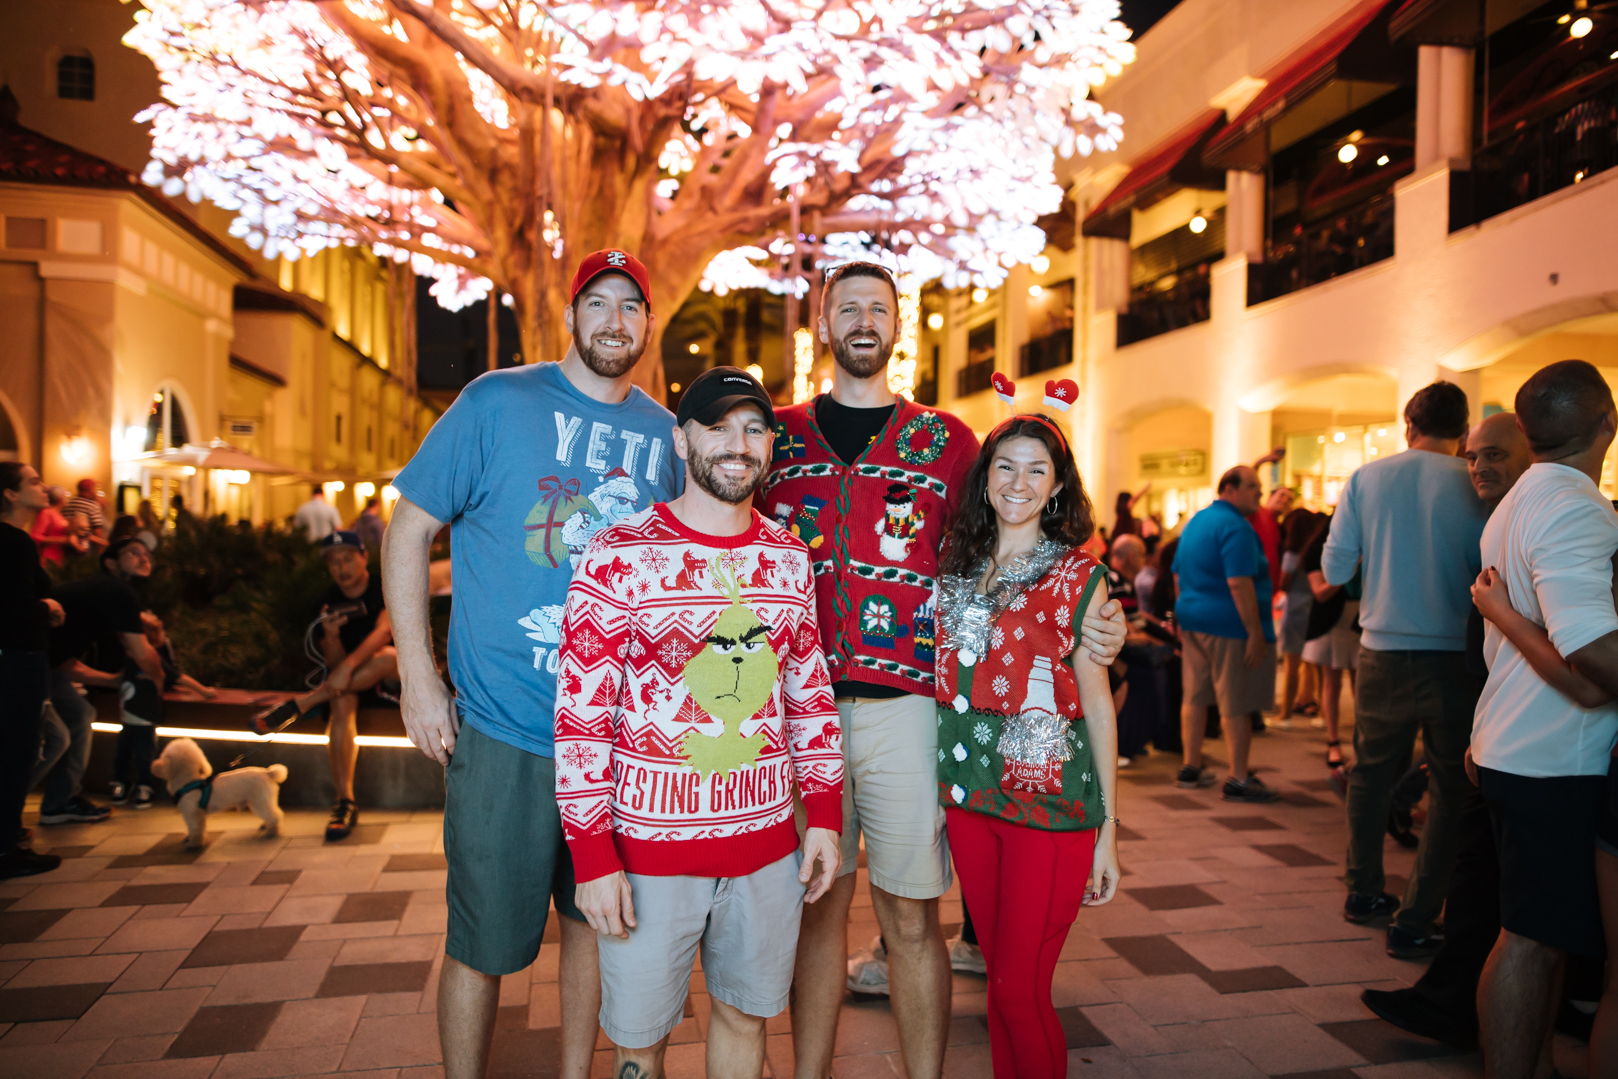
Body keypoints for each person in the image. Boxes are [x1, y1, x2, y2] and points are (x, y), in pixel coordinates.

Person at [764, 260, 1128, 1079]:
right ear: (823, 324)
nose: (863, 320)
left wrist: (1098, 611)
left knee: (909, 913)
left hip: (909, 710)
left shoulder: (948, 441)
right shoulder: (777, 436)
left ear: (899, 327)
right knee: (815, 911)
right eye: (846, 307)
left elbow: (1019, 528)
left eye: (878, 308)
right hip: (799, 713)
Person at [384, 249, 680, 1079]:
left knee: (599, 925)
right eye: (599, 303)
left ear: (648, 324)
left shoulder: (667, 436)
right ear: (571, 314)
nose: (615, 321)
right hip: (507, 729)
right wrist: (418, 677)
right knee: (480, 941)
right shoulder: (495, 402)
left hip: (618, 741)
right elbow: (408, 530)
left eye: (631, 306)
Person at [556, 367, 842, 1079]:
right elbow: (581, 718)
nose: (737, 444)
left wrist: (826, 817)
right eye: (717, 426)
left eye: (753, 428)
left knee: (745, 1018)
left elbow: (808, 695)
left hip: (767, 850)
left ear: (770, 446)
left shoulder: (788, 557)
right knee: (638, 1043)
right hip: (648, 855)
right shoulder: (618, 554)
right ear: (682, 441)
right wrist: (592, 858)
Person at [935, 415, 1121, 1079]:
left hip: (1049, 809)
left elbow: (1098, 705)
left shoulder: (1080, 577)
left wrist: (1109, 831)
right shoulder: (955, 566)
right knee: (1000, 986)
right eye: (1006, 466)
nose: (1019, 482)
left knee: (1019, 990)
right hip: (970, 803)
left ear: (1057, 485)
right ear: (985, 480)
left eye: (1037, 469)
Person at [1359, 410, 1533, 1049]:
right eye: (1472, 455)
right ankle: (1433, 959)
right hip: (1482, 697)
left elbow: (1578, 651)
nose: (1478, 467)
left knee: (1450, 822)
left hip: (1519, 720)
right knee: (1463, 826)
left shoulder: (1538, 517)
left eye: (1494, 454)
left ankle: (1449, 982)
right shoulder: (1496, 514)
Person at [1464, 362, 1618, 1079]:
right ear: (1608, 422)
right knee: (1528, 938)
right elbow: (1591, 654)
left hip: (1519, 741)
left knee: (1540, 936)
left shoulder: (1520, 499)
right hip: (1553, 754)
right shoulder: (1574, 507)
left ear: (1527, 435)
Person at [1322, 380, 1487, 957]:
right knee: (1450, 786)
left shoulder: (1367, 477)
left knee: (1370, 773)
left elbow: (1335, 568)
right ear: (1463, 431)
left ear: (1407, 425)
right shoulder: (1474, 481)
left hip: (1382, 649)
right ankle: (1415, 919)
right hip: (1455, 654)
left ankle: (1363, 891)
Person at [252, 531, 393, 840]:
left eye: (348, 559)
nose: (342, 568)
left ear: (364, 557)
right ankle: (345, 802)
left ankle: (304, 703)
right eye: (334, 562)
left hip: (393, 682)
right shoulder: (325, 602)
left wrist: (348, 667)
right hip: (348, 685)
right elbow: (335, 666)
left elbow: (385, 632)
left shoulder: (385, 587)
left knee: (387, 655)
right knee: (341, 701)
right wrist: (330, 636)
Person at [37, 537, 167, 825]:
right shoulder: (118, 591)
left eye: (146, 553)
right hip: (24, 662)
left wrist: (113, 681)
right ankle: (7, 810)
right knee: (55, 739)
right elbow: (142, 653)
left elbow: (63, 661)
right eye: (133, 553)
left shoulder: (104, 595)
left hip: (44, 665)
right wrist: (158, 682)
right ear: (110, 563)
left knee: (81, 715)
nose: (144, 557)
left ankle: (58, 802)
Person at [1170, 465, 1279, 802]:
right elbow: (1238, 582)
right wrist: (1255, 632)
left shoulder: (1197, 520)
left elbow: (1177, 573)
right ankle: (1239, 778)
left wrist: (1182, 613)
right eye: (1252, 486)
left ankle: (1190, 767)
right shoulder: (1236, 526)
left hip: (1194, 620)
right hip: (1229, 625)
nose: (1259, 493)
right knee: (1236, 701)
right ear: (1230, 489)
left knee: (1195, 696)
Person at [0, 463, 66, 877]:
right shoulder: (14, 542)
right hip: (18, 659)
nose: (45, 487)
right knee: (18, 750)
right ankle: (5, 847)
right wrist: (47, 608)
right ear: (10, 494)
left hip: (13, 658)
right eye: (34, 481)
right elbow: (13, 607)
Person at [108, 611, 216, 808]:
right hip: (127, 718)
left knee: (144, 756)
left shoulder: (152, 658)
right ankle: (121, 782)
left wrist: (203, 691)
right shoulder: (127, 659)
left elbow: (177, 676)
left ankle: (144, 786)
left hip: (145, 719)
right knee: (122, 754)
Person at [1299, 515, 1357, 782]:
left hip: (1360, 620)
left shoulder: (1365, 543)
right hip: (1331, 622)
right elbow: (1320, 593)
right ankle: (1333, 742)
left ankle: (1361, 743)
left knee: (1362, 686)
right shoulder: (1317, 550)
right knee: (1332, 684)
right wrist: (1348, 571)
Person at [1275, 508, 1321, 730]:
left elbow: (1284, 584)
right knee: (1315, 664)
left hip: (1295, 610)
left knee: (1291, 665)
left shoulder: (1292, 554)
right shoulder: (1318, 551)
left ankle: (1285, 715)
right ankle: (1320, 711)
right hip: (1315, 610)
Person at [30, 485, 72, 569]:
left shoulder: (58, 515)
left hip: (57, 560)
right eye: (65, 496)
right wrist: (64, 540)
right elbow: (35, 536)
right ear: (61, 498)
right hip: (47, 560)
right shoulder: (47, 513)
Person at [65, 478, 108, 546]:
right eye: (94, 489)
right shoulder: (93, 505)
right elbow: (97, 531)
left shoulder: (68, 504)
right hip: (87, 545)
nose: (95, 492)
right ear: (86, 492)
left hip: (67, 544)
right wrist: (101, 548)